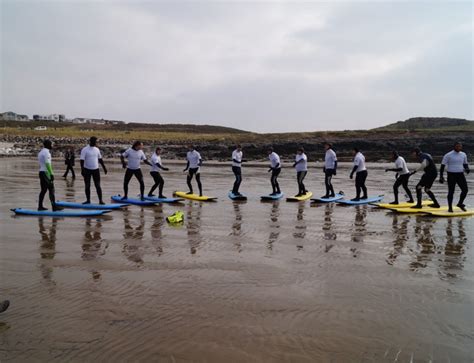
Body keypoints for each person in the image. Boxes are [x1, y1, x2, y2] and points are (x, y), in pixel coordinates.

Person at [440, 142, 470, 212]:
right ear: (454, 147)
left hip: (460, 174)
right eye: (457, 146)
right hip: (451, 175)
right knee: (451, 191)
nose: (459, 148)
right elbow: (442, 166)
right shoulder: (448, 155)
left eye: (460, 147)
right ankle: (450, 207)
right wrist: (441, 176)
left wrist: (467, 169)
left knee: (465, 190)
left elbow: (465, 164)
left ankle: (460, 203)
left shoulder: (463, 154)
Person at [80, 136, 108, 204]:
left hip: (96, 170)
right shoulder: (85, 149)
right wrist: (82, 170)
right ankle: (88, 200)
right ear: (91, 141)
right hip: (87, 170)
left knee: (98, 186)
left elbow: (100, 159)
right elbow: (82, 160)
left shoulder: (97, 149)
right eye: (96, 141)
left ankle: (100, 200)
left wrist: (104, 167)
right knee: (87, 185)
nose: (96, 143)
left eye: (96, 141)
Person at [38, 139, 63, 211]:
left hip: (41, 172)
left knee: (43, 190)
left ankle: (40, 206)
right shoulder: (47, 153)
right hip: (46, 173)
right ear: (48, 145)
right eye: (51, 144)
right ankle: (54, 207)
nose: (52, 145)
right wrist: (51, 174)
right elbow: (48, 164)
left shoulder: (41, 152)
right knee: (51, 190)